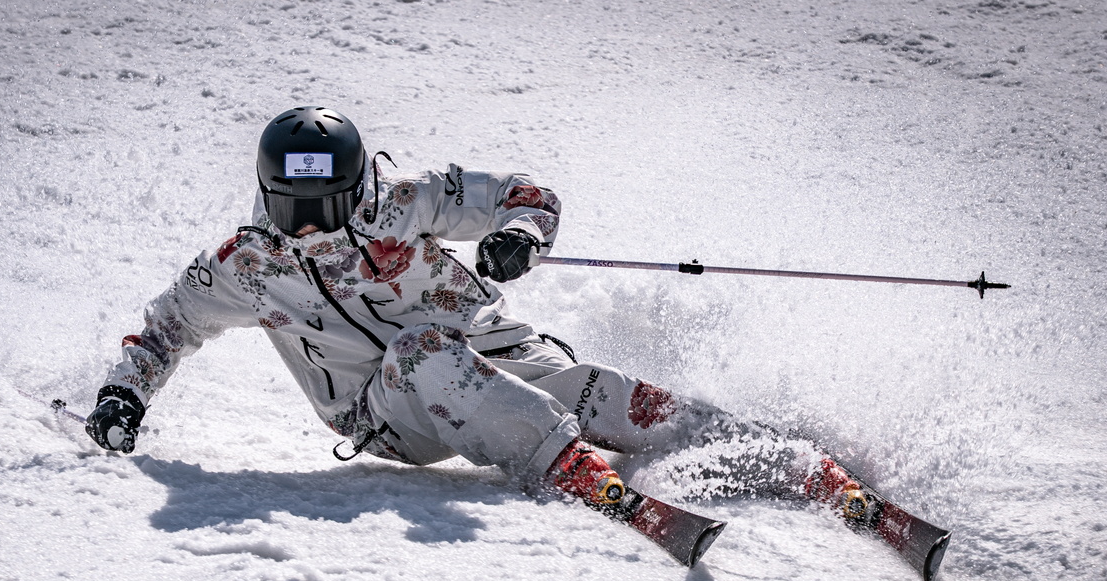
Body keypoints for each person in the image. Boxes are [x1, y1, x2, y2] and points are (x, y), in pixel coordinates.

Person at [85, 106, 869, 532]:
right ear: (268, 197)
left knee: (601, 391)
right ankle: (567, 467)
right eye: (295, 209)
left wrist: (517, 239)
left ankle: (784, 460)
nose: (316, 228)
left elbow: (526, 196)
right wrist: (125, 393)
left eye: (330, 204)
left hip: (494, 350)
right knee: (421, 352)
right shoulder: (249, 263)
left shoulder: (404, 198)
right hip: (391, 411)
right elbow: (165, 327)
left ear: (358, 185)